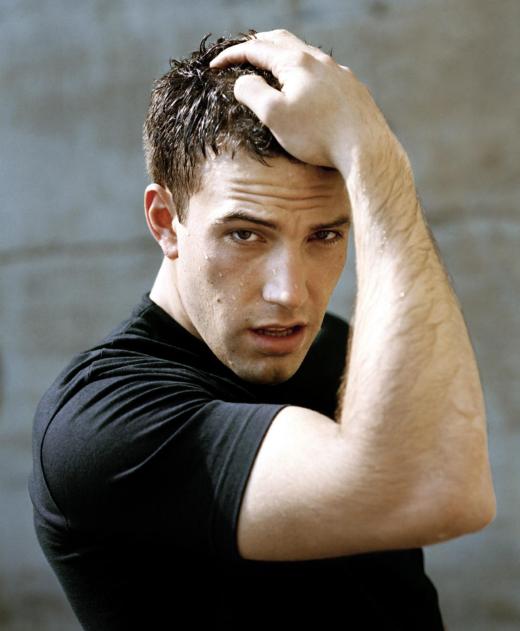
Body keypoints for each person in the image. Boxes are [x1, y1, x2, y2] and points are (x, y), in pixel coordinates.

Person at [29, 29, 495, 630]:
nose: (289, 292)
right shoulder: (101, 420)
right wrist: (374, 157)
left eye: (325, 235)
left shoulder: (335, 347)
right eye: (245, 234)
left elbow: (459, 482)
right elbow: (438, 493)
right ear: (166, 222)